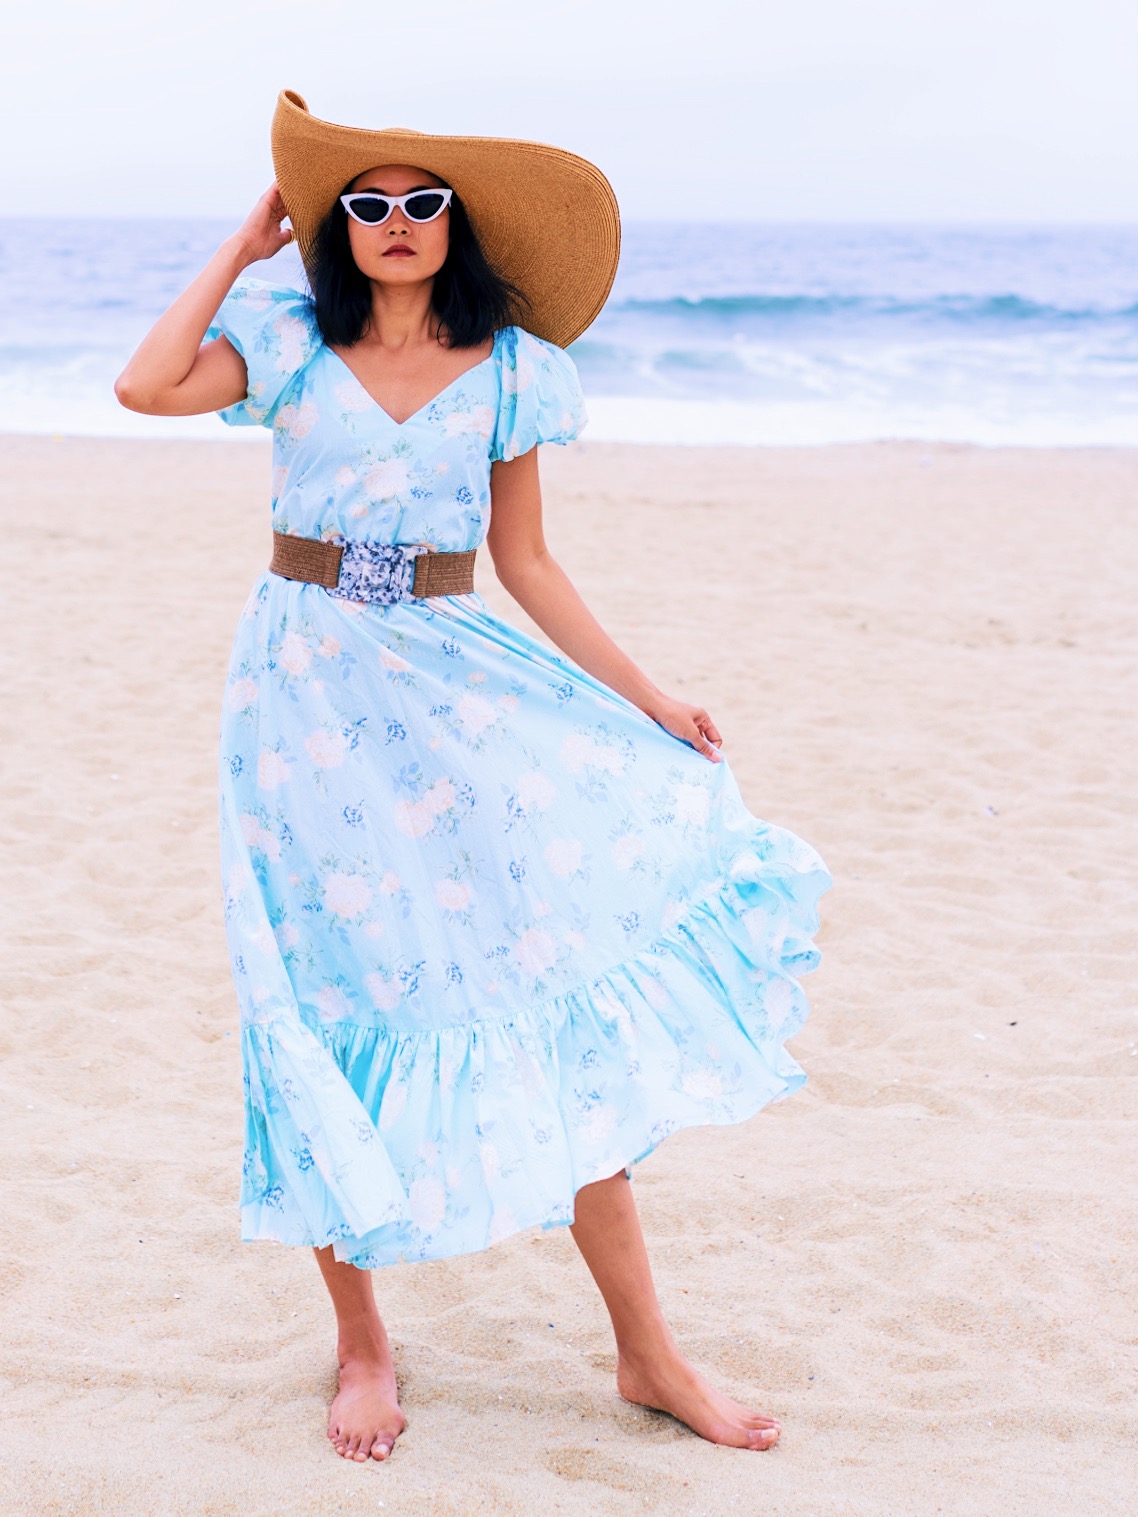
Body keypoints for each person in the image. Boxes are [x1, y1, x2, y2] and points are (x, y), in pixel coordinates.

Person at [115, 90, 831, 1465]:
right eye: (365, 205)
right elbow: (143, 386)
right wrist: (238, 248)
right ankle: (365, 1342)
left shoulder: (510, 366)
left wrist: (649, 693)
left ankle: (645, 1349)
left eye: (419, 202)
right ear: (336, 229)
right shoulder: (281, 340)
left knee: (535, 981)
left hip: (456, 692)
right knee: (317, 998)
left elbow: (530, 564)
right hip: (300, 698)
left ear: (457, 227)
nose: (392, 224)